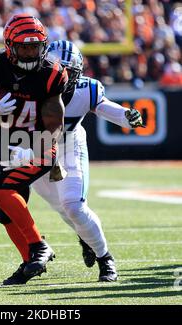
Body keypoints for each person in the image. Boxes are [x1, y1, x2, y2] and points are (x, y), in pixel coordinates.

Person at [0, 13, 68, 284]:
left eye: (35, 47)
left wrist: (37, 150)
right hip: (7, 146)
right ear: (10, 46)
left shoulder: (52, 73)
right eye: (24, 47)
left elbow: (55, 122)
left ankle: (39, 246)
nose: (31, 53)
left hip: (41, 144)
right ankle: (30, 262)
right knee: (3, 210)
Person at [32, 40, 144, 282]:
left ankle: (105, 258)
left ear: (76, 74)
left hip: (70, 145)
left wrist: (126, 117)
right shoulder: (30, 86)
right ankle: (86, 237)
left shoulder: (86, 89)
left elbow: (104, 107)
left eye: (65, 72)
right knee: (61, 207)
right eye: (54, 70)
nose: (59, 77)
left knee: (73, 204)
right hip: (38, 148)